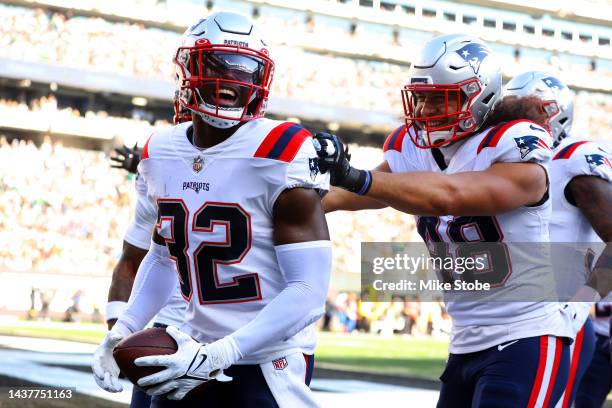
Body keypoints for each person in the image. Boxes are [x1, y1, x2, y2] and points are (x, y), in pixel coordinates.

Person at [316, 34, 574, 407]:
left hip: (527, 335)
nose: (423, 111)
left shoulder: (515, 142)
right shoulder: (413, 148)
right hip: (465, 341)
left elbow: (449, 195)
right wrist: (294, 194)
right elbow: (357, 194)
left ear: (479, 96)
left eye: (440, 98)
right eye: (420, 97)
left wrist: (354, 175)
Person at [92, 12, 331, 407]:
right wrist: (123, 329)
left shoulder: (283, 150)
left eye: (245, 72)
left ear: (261, 81)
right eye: (217, 66)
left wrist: (223, 353)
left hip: (264, 361)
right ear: (188, 70)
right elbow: (163, 257)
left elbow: (308, 292)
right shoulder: (161, 151)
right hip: (189, 349)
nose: (231, 83)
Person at [503, 71, 612, 408]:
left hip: (557, 321)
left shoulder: (572, 159)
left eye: (523, 116)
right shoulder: (506, 157)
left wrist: (583, 298)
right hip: (509, 318)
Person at [105, 78, 193, 408]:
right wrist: (118, 335)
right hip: (168, 327)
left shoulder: (263, 167)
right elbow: (134, 261)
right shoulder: (155, 167)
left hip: (235, 339)